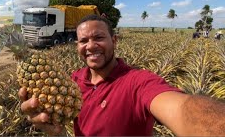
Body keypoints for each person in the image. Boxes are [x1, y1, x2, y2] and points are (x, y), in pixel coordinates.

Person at [18, 14, 225, 136]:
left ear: (114, 41)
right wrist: (56, 131)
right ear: (77, 46)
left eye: (99, 37)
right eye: (83, 41)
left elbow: (181, 108)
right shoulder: (73, 81)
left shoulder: (138, 82)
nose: (91, 46)